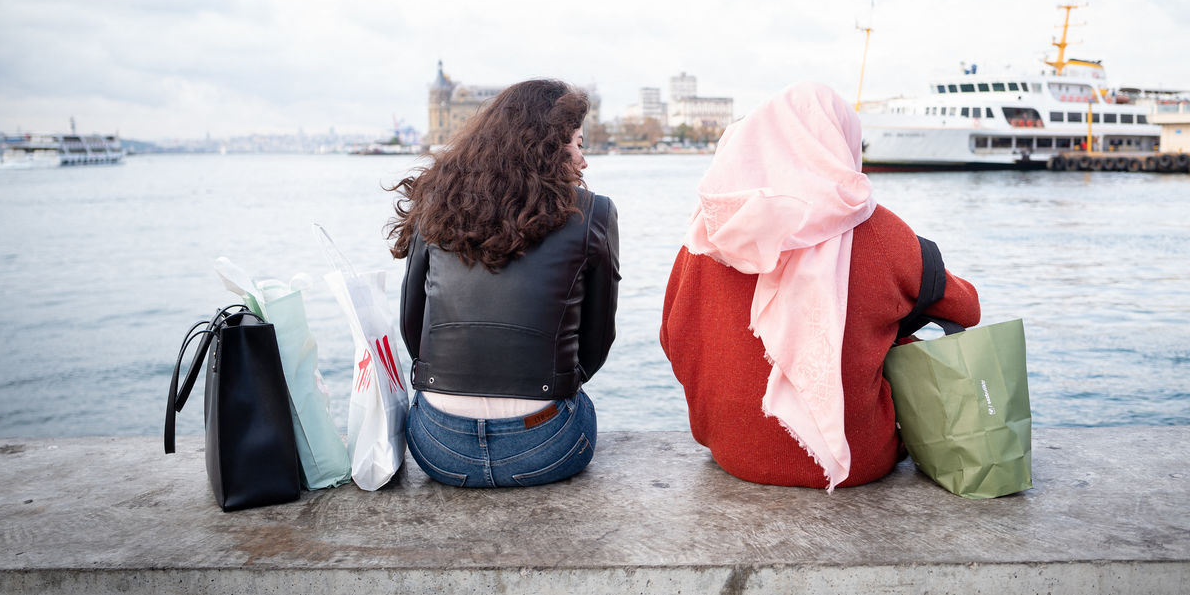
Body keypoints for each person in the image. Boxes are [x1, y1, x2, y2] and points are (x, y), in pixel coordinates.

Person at [659, 82, 979, 490]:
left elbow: (672, 336)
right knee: (891, 339)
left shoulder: (707, 232)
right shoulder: (878, 231)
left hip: (731, 450)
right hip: (858, 458)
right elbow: (967, 310)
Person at [388, 79, 619, 488]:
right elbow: (597, 341)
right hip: (547, 444)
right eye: (578, 144)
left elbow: (412, 326)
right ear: (548, 146)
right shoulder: (595, 213)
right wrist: (553, 383)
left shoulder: (435, 203)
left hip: (438, 446)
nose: (584, 161)